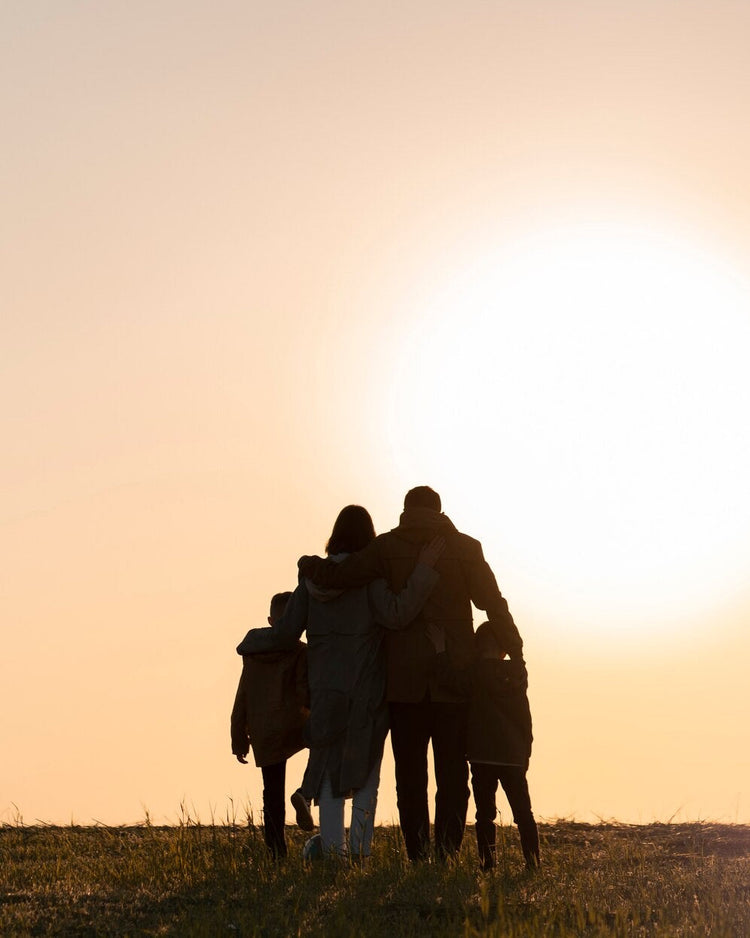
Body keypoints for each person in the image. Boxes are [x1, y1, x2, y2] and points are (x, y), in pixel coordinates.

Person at [299, 485, 523, 861]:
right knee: (453, 776)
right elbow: (494, 606)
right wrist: (515, 651)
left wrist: (307, 564)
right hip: (454, 682)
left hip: (403, 685)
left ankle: (418, 855)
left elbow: (340, 574)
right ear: (439, 510)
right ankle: (446, 854)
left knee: (411, 779)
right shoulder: (466, 549)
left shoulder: (386, 547)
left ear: (406, 509)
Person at [237, 505, 444, 862]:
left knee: (331, 778)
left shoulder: (311, 582)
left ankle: (334, 855)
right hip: (367, 691)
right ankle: (360, 855)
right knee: (366, 779)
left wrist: (251, 641)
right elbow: (397, 614)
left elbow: (286, 633)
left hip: (325, 692)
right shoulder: (370, 581)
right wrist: (424, 570)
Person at [428, 620, 539, 870]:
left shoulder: (475, 673)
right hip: (512, 756)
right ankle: (533, 863)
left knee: (485, 815)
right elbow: (525, 719)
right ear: (503, 649)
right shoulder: (518, 675)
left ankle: (488, 865)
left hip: (482, 755)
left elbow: (450, 681)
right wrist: (525, 754)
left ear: (478, 647)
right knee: (524, 813)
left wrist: (439, 651)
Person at [230, 591, 309, 859]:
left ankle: (277, 851)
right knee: (325, 750)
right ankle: (306, 793)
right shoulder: (299, 652)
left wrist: (238, 736)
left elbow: (243, 696)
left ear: (270, 620)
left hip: (264, 731)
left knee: (272, 793)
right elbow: (303, 691)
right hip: (294, 725)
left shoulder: (253, 653)